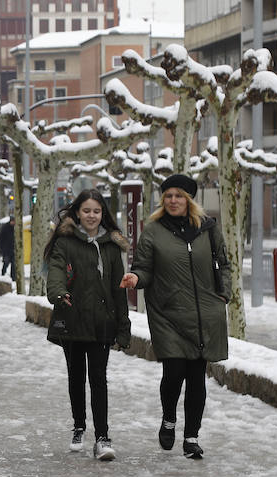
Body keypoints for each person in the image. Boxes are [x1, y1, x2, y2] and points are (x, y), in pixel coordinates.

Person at [119, 174, 231, 460]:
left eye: (178, 196)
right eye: (168, 196)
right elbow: (143, 267)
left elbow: (224, 263)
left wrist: (223, 295)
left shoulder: (208, 229)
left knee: (197, 377)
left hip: (204, 313)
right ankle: (169, 418)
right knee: (174, 373)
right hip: (167, 314)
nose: (173, 200)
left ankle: (191, 437)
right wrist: (135, 278)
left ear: (189, 200)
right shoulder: (153, 231)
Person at [45, 189, 130, 461]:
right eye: (86, 211)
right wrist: (58, 292)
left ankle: (103, 438)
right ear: (77, 213)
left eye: (96, 211)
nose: (91, 216)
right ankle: (79, 426)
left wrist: (123, 325)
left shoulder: (112, 246)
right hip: (72, 318)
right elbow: (56, 269)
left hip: (102, 322)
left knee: (98, 379)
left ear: (102, 214)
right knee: (76, 376)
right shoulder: (65, 242)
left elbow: (119, 290)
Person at [0, 216, 16, 281]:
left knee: (13, 265)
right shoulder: (5, 228)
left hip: (13, 250)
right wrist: (1, 250)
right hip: (6, 250)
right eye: (13, 221)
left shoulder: (15, 228)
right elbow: (0, 240)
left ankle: (13, 278)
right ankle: (2, 274)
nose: (13, 223)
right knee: (6, 263)